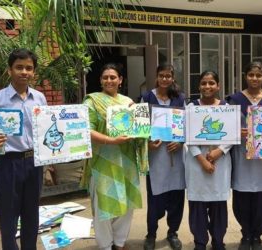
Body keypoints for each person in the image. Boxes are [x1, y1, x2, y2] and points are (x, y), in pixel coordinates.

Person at [0, 48, 47, 250]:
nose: (24, 72)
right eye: (19, 67)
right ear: (10, 70)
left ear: (34, 72)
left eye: (29, 68)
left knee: (32, 214)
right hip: (8, 163)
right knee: (8, 216)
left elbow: (45, 129)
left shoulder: (40, 98)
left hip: (34, 163)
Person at [81, 63, 148, 250]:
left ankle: (119, 242)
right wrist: (111, 141)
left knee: (125, 205)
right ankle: (105, 245)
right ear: (100, 80)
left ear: (120, 80)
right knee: (104, 206)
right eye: (105, 77)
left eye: (113, 77)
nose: (109, 80)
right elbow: (86, 130)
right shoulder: (92, 102)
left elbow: (139, 129)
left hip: (126, 160)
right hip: (102, 160)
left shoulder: (129, 102)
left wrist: (144, 134)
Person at [226, 61, 262, 250]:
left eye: (258, 75)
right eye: (251, 75)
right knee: (242, 196)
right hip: (241, 156)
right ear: (245, 76)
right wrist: (237, 132)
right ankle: (245, 233)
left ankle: (257, 235)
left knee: (261, 197)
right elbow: (226, 128)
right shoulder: (234, 100)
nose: (254, 78)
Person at [185, 71, 232, 250]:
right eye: (204, 83)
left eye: (211, 83)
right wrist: (202, 160)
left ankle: (218, 241)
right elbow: (188, 137)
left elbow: (232, 135)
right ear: (199, 86)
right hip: (197, 163)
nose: (207, 87)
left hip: (221, 162)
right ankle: (200, 242)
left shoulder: (227, 107)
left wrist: (219, 151)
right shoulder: (191, 107)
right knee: (197, 206)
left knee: (219, 206)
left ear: (218, 86)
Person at [141, 64, 185, 250]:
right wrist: (147, 143)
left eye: (168, 76)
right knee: (155, 197)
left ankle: (172, 232)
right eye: (162, 76)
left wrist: (181, 141)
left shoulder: (180, 98)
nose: (165, 79)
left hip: (175, 156)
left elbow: (186, 124)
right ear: (156, 77)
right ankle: (151, 233)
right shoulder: (147, 97)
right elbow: (140, 126)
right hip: (156, 155)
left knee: (176, 196)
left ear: (173, 78)